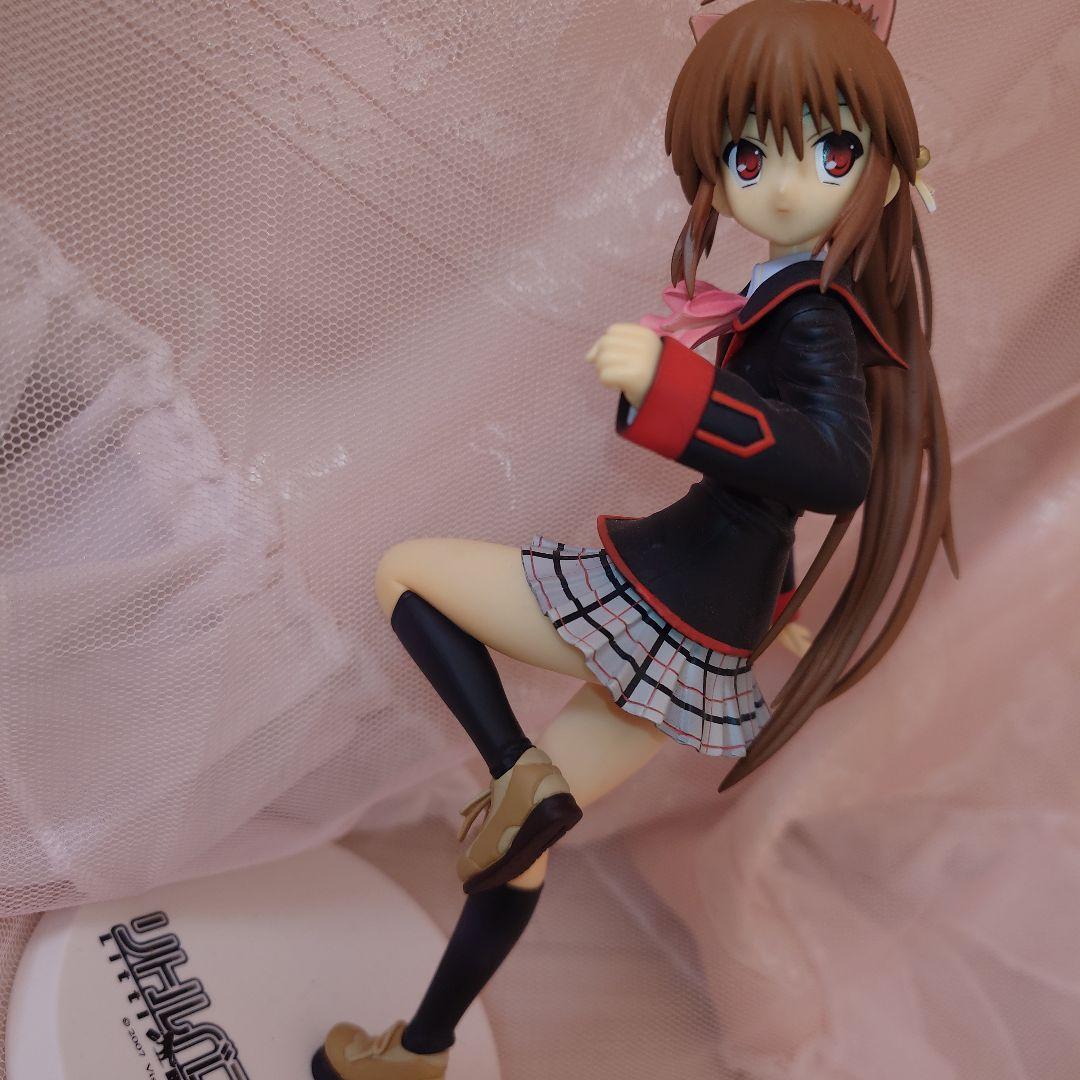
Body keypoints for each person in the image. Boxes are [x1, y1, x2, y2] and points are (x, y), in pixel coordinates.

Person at [312, 1, 954, 1075]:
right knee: (518, 857)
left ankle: (514, 769)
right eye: (748, 157)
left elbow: (836, 466)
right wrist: (773, 601)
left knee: (405, 574)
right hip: (709, 630)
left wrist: (677, 388)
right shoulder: (783, 299)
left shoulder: (812, 312)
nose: (783, 187)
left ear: (884, 172)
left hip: (667, 591)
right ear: (717, 171)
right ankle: (418, 1054)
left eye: (831, 152)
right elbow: (777, 481)